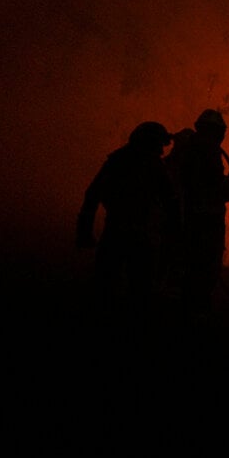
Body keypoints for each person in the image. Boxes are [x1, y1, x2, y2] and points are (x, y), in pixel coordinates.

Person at [76, 121, 176, 326]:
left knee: (108, 284)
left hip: (118, 231)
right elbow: (171, 201)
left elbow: (93, 194)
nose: (161, 150)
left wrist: (84, 230)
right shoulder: (153, 165)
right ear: (151, 142)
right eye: (159, 145)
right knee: (138, 289)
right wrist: (174, 233)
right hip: (137, 234)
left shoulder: (118, 160)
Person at [168, 108, 229, 322]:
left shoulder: (194, 151)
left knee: (194, 264)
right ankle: (196, 311)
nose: (220, 136)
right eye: (219, 131)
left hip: (195, 218)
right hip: (205, 220)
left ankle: (189, 307)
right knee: (205, 265)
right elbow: (212, 188)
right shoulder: (204, 153)